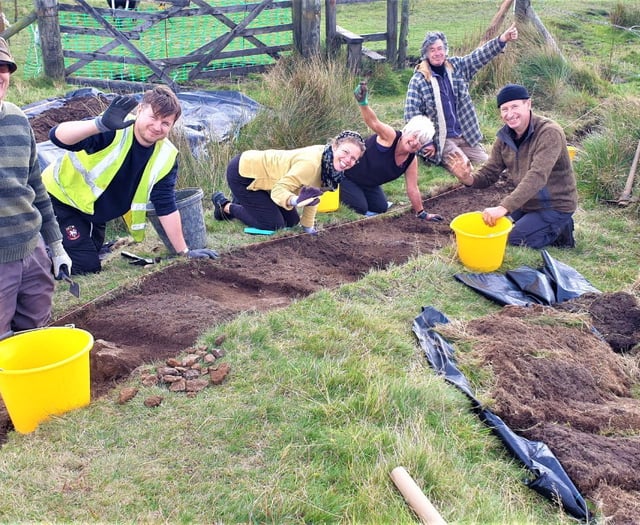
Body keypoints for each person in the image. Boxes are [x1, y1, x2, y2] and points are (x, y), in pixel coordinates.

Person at [42, 85, 218, 274]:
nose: (157, 127)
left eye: (166, 123)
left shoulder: (166, 156)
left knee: (91, 253)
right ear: (140, 110)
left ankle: (55, 245)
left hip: (93, 212)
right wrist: (99, 124)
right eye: (153, 117)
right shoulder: (114, 128)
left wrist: (184, 252)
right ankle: (35, 255)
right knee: (85, 267)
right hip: (60, 200)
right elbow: (57, 136)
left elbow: (165, 204)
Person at [0, 37, 73, 335]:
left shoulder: (18, 119)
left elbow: (36, 187)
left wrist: (55, 246)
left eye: (4, 67)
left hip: (33, 253)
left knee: (35, 332)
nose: (0, 75)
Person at [447, 83, 577, 249]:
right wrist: (467, 178)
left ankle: (561, 228)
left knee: (513, 240)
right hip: (527, 203)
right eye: (504, 109)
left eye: (514, 106)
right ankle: (540, 224)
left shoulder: (549, 132)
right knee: (492, 228)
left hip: (555, 204)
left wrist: (503, 207)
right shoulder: (504, 137)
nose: (509, 114)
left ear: (528, 104)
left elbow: (537, 176)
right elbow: (489, 173)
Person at [404, 23, 518, 176]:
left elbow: (478, 56)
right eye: (432, 50)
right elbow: (411, 115)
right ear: (426, 54)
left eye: (440, 49)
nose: (437, 53)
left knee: (491, 165)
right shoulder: (418, 80)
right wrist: (426, 143)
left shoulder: (457, 67)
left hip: (465, 135)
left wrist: (502, 39)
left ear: (445, 50)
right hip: (442, 140)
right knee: (465, 168)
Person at [211, 131, 366, 234]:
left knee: (292, 222)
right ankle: (225, 206)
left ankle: (246, 202)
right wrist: (295, 200)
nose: (347, 160)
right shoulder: (311, 165)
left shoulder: (331, 171)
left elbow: (314, 197)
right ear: (334, 146)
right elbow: (279, 190)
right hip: (245, 173)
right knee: (274, 224)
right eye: (345, 152)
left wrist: (308, 228)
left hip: (270, 179)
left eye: (354, 158)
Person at [341, 81, 443, 221]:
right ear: (406, 131)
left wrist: (422, 213)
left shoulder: (410, 160)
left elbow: (412, 188)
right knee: (360, 207)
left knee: (381, 207)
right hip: (347, 174)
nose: (415, 142)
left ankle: (359, 193)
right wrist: (363, 103)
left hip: (368, 184)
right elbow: (374, 122)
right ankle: (332, 186)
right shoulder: (390, 137)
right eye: (414, 136)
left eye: (421, 141)